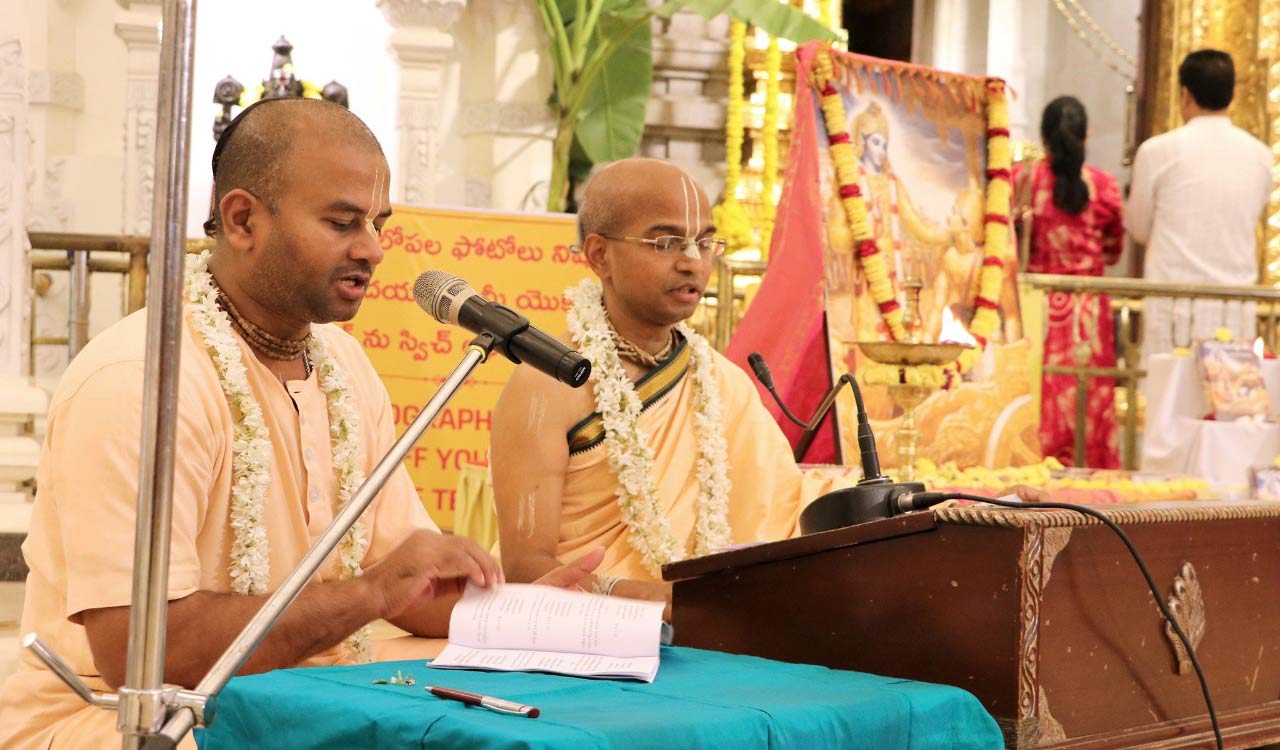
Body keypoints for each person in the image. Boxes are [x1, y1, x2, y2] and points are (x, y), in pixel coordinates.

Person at [0, 98, 600, 750]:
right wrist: (367, 594)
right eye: (343, 222)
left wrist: (520, 614)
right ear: (242, 219)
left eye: (379, 224)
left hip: (302, 701)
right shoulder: (144, 381)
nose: (373, 249)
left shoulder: (344, 365)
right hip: (126, 722)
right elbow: (140, 654)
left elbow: (406, 583)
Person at [491, 158, 849, 612]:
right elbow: (526, 570)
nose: (693, 262)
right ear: (600, 255)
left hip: (707, 630)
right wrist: (660, 603)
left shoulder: (724, 384)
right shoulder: (547, 385)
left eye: (705, 242)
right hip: (581, 636)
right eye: (666, 243)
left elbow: (781, 509)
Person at [1128, 49, 1273, 355]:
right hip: (1234, 307)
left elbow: (1138, 227)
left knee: (1168, 384)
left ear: (1185, 95)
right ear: (1232, 95)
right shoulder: (1261, 155)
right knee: (1229, 386)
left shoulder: (1157, 151)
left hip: (1173, 307)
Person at [1013, 96, 1124, 468]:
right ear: (1086, 135)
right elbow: (1113, 251)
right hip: (1088, 314)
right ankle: (1090, 474)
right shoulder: (1105, 187)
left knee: (1036, 390)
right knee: (1087, 394)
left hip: (1036, 309)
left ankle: (1032, 466)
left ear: (1043, 136)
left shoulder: (1021, 180)